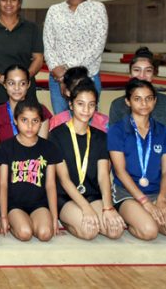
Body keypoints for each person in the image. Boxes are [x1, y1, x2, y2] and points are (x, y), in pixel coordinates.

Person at [108, 79, 166, 241]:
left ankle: (147, 216)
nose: (144, 103)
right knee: (149, 232)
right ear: (128, 101)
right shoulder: (117, 130)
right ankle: (133, 217)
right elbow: (120, 171)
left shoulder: (163, 131)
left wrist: (161, 199)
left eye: (148, 98)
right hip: (127, 193)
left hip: (156, 192)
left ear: (155, 100)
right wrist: (145, 202)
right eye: (137, 99)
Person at [48, 79, 125, 240]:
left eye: (91, 105)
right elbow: (64, 179)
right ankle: (68, 221)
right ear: (71, 105)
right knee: (89, 231)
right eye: (80, 104)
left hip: (91, 194)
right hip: (66, 196)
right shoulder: (56, 135)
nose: (86, 110)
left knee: (115, 231)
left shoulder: (101, 137)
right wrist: (86, 208)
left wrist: (108, 207)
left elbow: (103, 176)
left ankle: (84, 216)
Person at [108, 47, 166, 202]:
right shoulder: (118, 105)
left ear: (154, 73)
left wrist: (154, 169)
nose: (142, 76)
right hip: (129, 174)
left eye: (148, 71)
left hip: (156, 172)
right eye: (137, 70)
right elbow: (114, 147)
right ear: (130, 73)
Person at [44, 0, 108, 114]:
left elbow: (97, 46)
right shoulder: (54, 11)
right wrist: (60, 77)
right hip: (57, 80)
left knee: (86, 122)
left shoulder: (97, 9)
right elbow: (48, 44)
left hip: (87, 77)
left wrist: (67, 71)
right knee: (61, 125)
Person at [0, 98, 61, 242]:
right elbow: (2, 184)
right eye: (24, 120)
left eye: (35, 121)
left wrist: (54, 216)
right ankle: (19, 221)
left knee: (45, 234)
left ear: (41, 123)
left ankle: (34, 220)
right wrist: (3, 216)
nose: (29, 126)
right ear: (15, 120)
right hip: (14, 204)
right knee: (25, 233)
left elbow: (51, 185)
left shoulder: (48, 147)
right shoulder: (5, 147)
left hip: (39, 203)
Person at [0, 65, 52, 146]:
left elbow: (42, 147)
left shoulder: (41, 110)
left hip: (34, 158)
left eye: (22, 83)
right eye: (11, 83)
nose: (17, 88)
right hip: (4, 158)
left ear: (28, 84)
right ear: (5, 84)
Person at [48, 66, 109, 132]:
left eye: (91, 104)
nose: (86, 110)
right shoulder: (57, 122)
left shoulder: (104, 123)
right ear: (67, 92)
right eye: (77, 88)